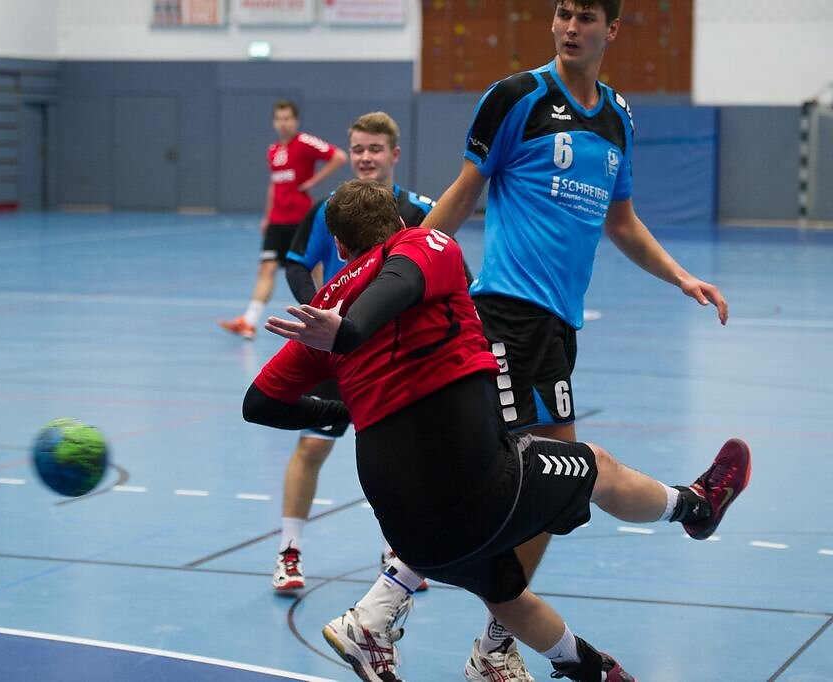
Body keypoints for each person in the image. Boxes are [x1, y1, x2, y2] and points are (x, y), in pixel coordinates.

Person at [242, 179, 750, 682]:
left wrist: (343, 408)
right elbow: (399, 282)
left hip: (408, 534)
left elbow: (258, 403)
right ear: (400, 224)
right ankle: (697, 506)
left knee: (506, 593)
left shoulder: (326, 309)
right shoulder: (424, 243)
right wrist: (350, 334)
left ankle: (590, 671)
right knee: (596, 466)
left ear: (339, 246)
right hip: (478, 490)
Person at [415, 0, 729, 675]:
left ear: (611, 30)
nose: (570, 26)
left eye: (586, 16)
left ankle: (496, 640)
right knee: (509, 480)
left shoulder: (617, 117)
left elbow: (622, 222)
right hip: (505, 314)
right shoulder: (516, 99)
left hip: (557, 327)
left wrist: (679, 276)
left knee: (562, 485)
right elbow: (464, 194)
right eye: (563, 13)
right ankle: (384, 612)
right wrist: (405, 269)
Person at [271, 111, 435, 594]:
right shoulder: (328, 209)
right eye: (358, 149)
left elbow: (448, 268)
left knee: (401, 455)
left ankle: (398, 551)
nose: (365, 157)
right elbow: (298, 263)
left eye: (375, 149)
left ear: (394, 154)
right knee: (313, 445)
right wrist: (319, 310)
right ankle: (288, 550)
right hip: (336, 346)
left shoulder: (419, 210)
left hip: (395, 353)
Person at [219, 99, 346, 340]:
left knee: (314, 270)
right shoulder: (273, 150)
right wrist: (267, 216)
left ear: (295, 120)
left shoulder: (305, 142)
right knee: (266, 269)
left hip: (302, 220)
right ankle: (249, 321)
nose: (283, 123)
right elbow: (273, 184)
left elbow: (339, 156)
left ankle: (325, 315)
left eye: (288, 118)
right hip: (277, 221)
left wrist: (313, 182)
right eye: (279, 118)